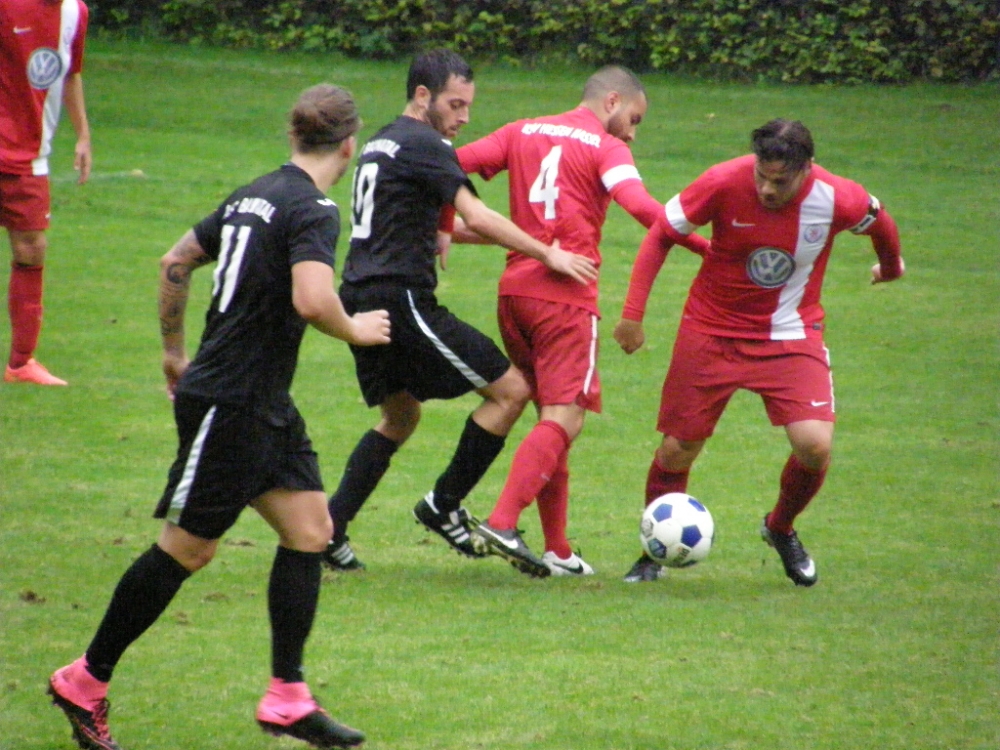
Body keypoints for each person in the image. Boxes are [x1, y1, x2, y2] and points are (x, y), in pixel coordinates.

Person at [47, 84, 390, 750]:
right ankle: (84, 680)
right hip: (233, 402)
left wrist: (174, 353)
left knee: (311, 529)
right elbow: (314, 299)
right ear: (349, 145)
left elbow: (177, 260)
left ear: (295, 136)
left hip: (261, 401)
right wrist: (357, 329)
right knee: (189, 548)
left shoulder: (252, 194)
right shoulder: (315, 209)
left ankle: (288, 697)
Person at [323, 48, 596, 575]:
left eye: (468, 105)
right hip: (401, 299)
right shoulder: (427, 143)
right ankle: (443, 504)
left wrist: (500, 238)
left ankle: (330, 530)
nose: (464, 117)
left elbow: (421, 221)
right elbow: (478, 213)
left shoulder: (382, 140)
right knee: (511, 391)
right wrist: (546, 252)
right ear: (423, 96)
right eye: (455, 104)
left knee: (400, 416)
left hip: (359, 295)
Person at [614, 118, 905, 586]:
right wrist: (632, 314)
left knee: (815, 445)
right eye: (761, 176)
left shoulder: (837, 196)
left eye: (780, 181)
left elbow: (881, 222)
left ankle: (780, 527)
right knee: (678, 448)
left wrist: (890, 268)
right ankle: (653, 554)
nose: (767, 189)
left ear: (807, 168)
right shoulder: (721, 181)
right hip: (711, 330)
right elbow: (662, 234)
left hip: (791, 332)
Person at [450, 66, 709, 577]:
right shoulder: (605, 147)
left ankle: (558, 549)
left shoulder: (521, 130)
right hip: (564, 299)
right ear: (612, 101)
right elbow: (640, 206)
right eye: (633, 119)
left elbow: (446, 165)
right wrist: (706, 247)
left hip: (514, 296)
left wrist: (443, 225)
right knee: (565, 418)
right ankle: (503, 521)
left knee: (552, 421)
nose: (632, 134)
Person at [1, 0, 92, 386]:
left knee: (32, 248)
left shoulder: (76, 13)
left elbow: (71, 75)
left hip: (30, 157)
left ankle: (21, 364)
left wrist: (83, 134)